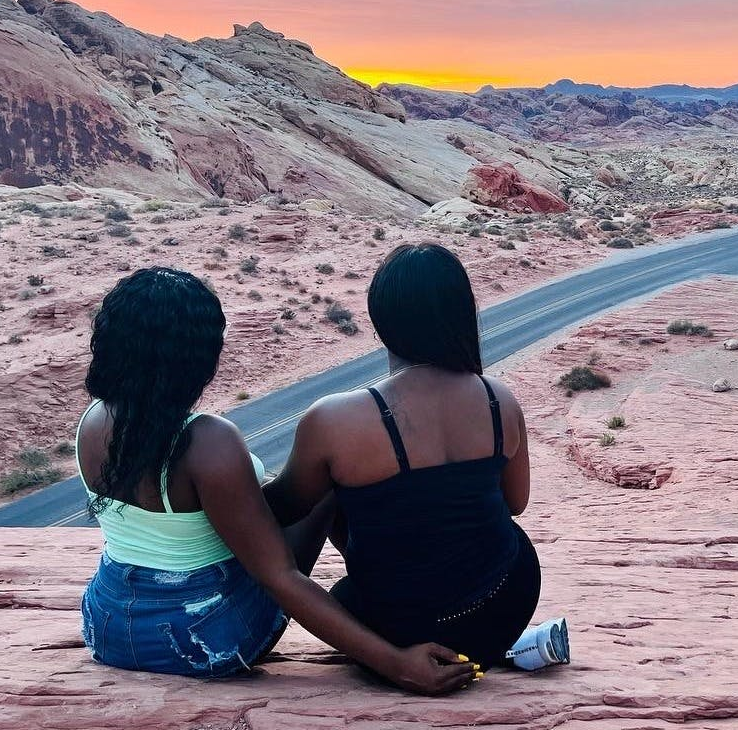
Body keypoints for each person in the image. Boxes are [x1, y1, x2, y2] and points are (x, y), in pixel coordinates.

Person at [76, 267, 475, 692]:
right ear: (196, 355)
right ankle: (391, 598)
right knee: (327, 475)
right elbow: (280, 577)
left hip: (110, 627)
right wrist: (397, 664)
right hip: (202, 640)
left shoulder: (92, 421)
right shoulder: (208, 442)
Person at [265, 243, 568, 672]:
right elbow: (515, 503)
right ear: (461, 313)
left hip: (399, 629)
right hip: (505, 605)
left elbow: (282, 508)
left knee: (333, 489)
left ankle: (251, 621)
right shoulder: (498, 398)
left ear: (380, 319)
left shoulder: (335, 419)